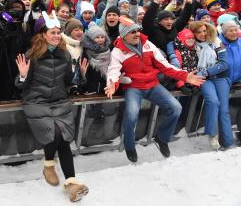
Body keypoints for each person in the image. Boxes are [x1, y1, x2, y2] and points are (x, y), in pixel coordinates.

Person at [105, 16, 204, 162]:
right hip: (134, 87)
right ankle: (129, 145)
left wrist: (184, 76)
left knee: (176, 107)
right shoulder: (118, 51)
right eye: (132, 32)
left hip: (153, 84)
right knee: (132, 114)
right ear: (124, 35)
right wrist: (113, 83)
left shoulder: (147, 45)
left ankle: (162, 137)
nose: (137, 34)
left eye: (138, 31)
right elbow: (113, 70)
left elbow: (164, 65)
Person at [15, 14, 89, 202]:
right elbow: (20, 85)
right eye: (53, 33)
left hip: (58, 101)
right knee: (56, 134)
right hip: (36, 102)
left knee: (64, 139)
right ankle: (48, 164)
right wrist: (23, 75)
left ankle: (72, 183)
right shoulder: (32, 55)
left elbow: (68, 83)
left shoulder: (64, 54)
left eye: (58, 33)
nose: (57, 36)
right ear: (43, 35)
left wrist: (79, 75)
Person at [189, 21, 232, 150]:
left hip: (220, 77)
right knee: (213, 102)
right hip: (203, 79)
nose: (202, 34)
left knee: (224, 110)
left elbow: (224, 63)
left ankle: (227, 142)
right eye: (198, 32)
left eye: (204, 30)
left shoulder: (216, 41)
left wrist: (207, 71)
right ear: (193, 33)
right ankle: (212, 135)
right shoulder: (191, 44)